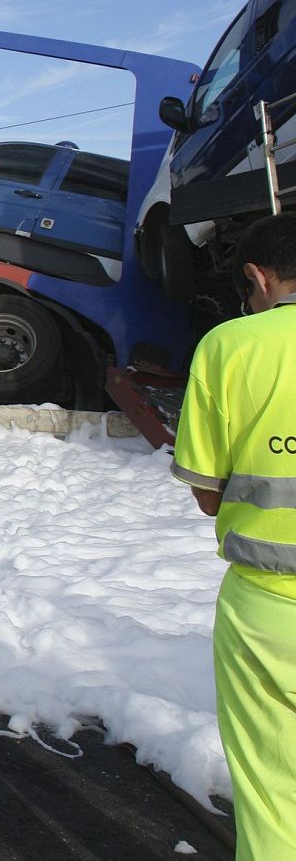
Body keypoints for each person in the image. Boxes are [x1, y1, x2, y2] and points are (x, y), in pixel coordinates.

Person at [172, 214, 296, 861]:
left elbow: (207, 492)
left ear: (257, 277)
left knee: (275, 798)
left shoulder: (230, 346)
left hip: (266, 611)